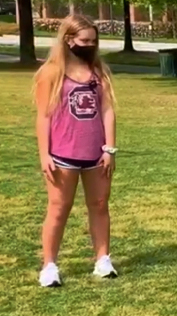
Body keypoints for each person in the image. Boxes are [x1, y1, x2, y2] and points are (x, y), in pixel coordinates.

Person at [33, 14, 119, 287]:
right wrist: (44, 154)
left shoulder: (98, 71)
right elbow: (43, 117)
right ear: (69, 40)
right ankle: (49, 266)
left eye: (93, 41)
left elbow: (107, 111)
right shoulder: (50, 73)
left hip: (96, 154)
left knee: (99, 205)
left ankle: (103, 260)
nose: (90, 45)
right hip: (62, 155)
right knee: (59, 208)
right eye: (84, 40)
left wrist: (109, 149)